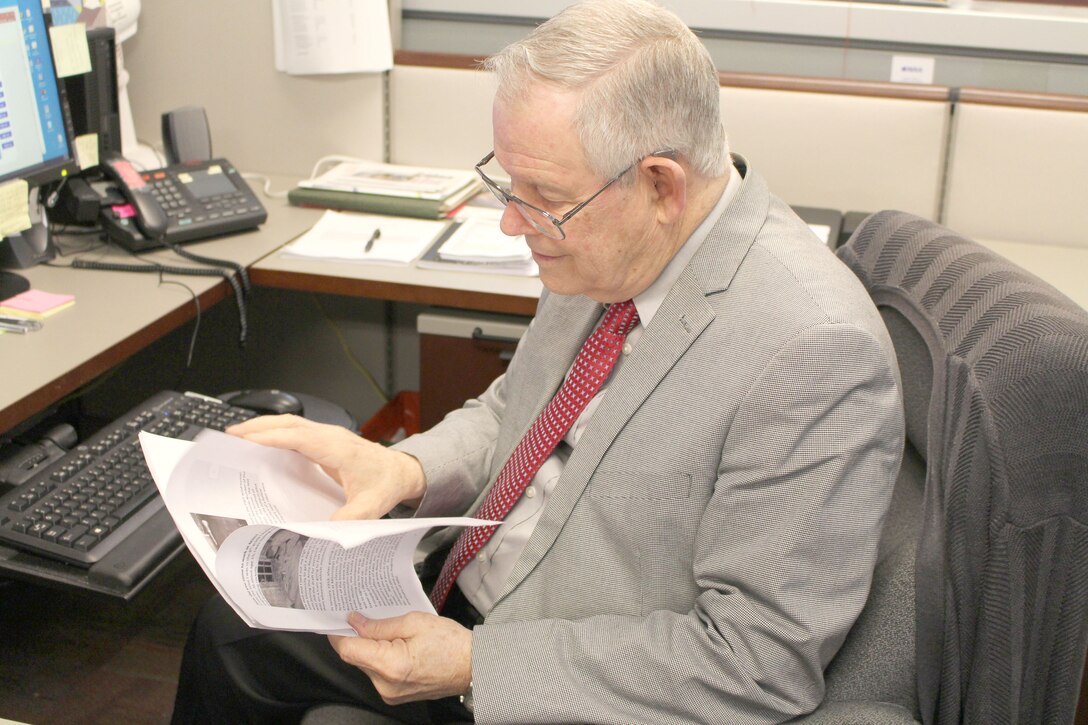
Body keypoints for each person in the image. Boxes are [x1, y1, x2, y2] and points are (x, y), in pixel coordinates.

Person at [171, 0, 904, 722]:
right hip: (462, 587)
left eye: (542, 197)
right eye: (509, 184)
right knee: (230, 632)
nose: (512, 221)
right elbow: (516, 410)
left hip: (555, 675)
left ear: (661, 185)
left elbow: (755, 661)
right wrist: (405, 469)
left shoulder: (813, 351)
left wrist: (472, 666)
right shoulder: (612, 247)